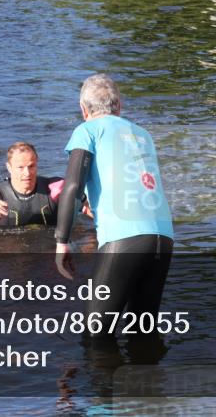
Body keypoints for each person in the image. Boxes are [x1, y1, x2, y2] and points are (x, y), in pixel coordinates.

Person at [53, 74, 174, 336]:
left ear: (83, 109)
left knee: (95, 335)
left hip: (125, 237)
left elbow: (72, 187)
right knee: (143, 331)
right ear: (119, 106)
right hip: (163, 236)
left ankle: (98, 376)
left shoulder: (87, 130)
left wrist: (62, 241)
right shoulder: (143, 135)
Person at [0, 141, 66, 231]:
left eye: (31, 166)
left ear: (37, 163)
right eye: (20, 167)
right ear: (9, 167)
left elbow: (81, 206)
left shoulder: (54, 188)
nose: (27, 173)